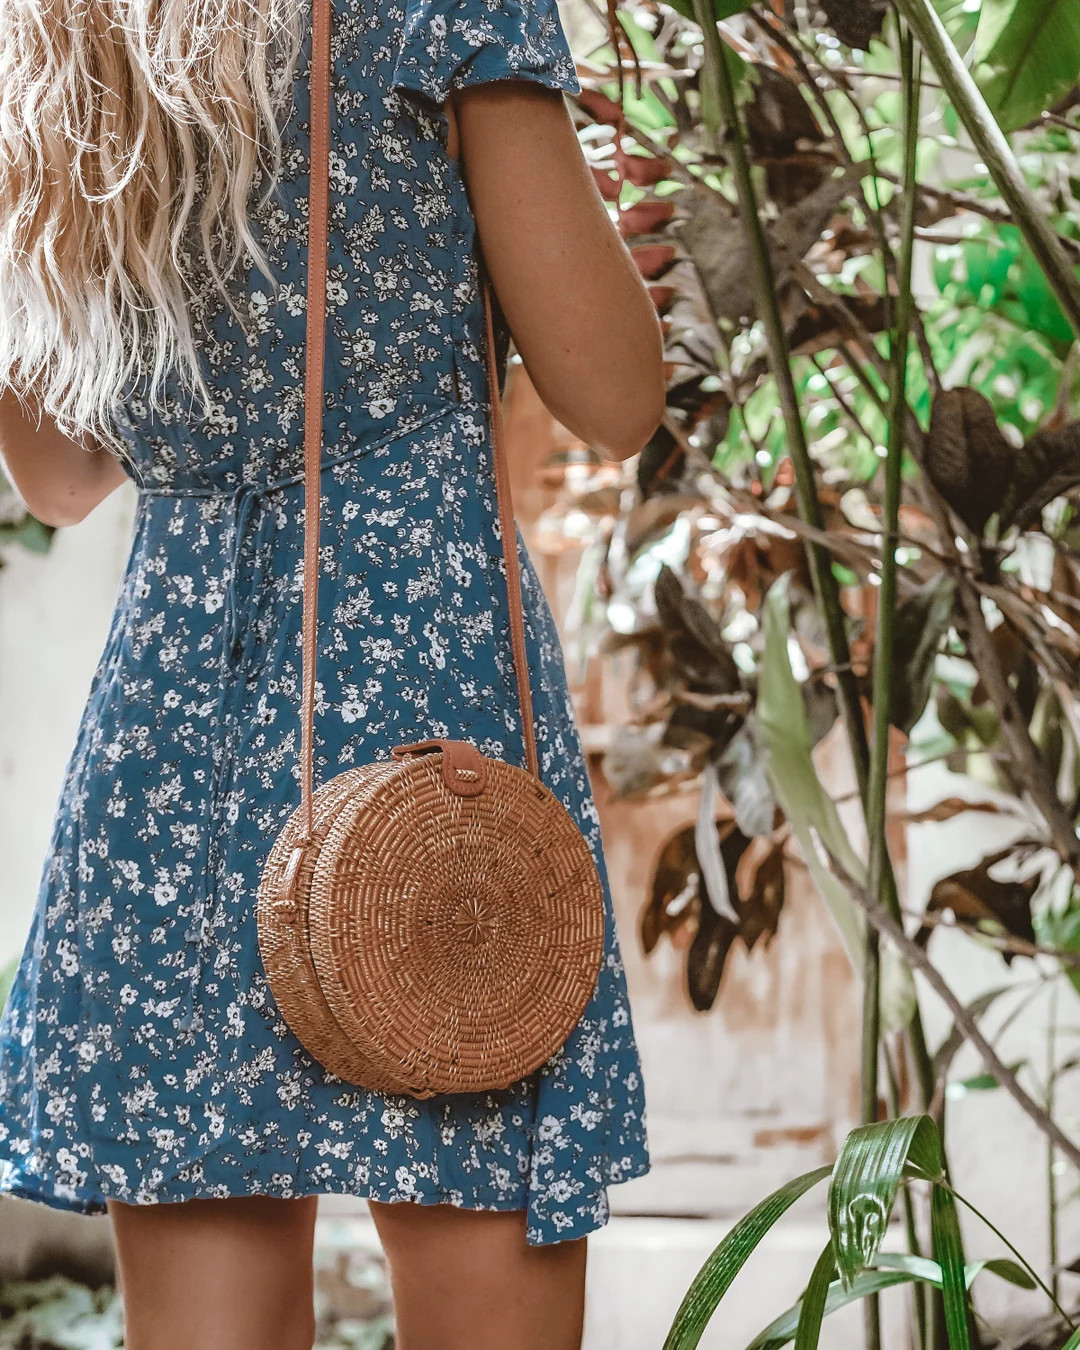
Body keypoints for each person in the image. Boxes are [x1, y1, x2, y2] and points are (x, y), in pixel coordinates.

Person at [0, 1, 665, 1346]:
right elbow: (615, 392)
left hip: (176, 725)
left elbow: (61, 478)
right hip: (424, 686)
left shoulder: (62, 37)